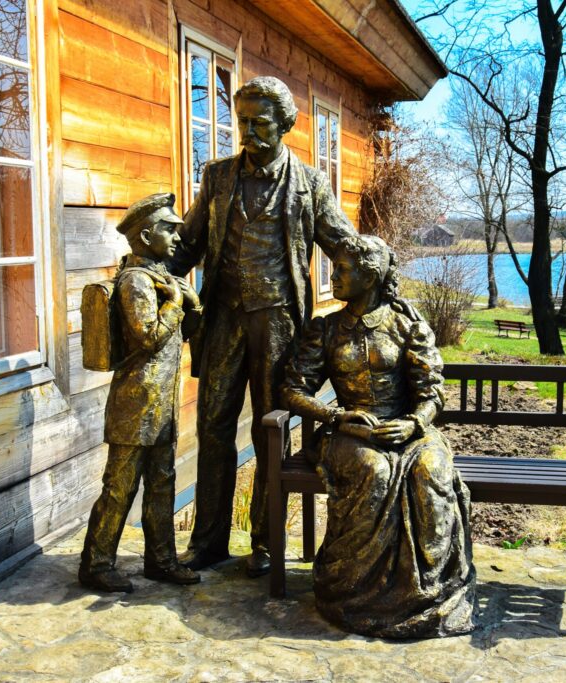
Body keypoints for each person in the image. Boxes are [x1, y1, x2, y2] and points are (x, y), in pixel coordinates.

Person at [170, 76, 357, 577]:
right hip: (223, 318)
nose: (248, 132)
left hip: (278, 323)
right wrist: (147, 271)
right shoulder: (217, 177)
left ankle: (266, 541)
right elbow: (187, 242)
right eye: (242, 122)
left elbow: (346, 245)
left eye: (260, 123)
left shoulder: (310, 184)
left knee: (272, 429)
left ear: (285, 125)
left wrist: (381, 289)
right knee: (213, 426)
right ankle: (209, 541)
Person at [282, 234, 476, 638]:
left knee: (430, 470)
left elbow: (431, 392)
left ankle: (429, 591)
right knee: (375, 472)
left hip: (409, 429)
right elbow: (293, 390)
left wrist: (415, 423)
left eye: (342, 269)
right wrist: (336, 416)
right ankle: (353, 590)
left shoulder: (407, 324)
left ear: (369, 277)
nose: (333, 277)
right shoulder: (327, 329)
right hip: (349, 433)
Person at [79, 193, 202, 593]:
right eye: (169, 230)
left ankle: (161, 560)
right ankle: (96, 564)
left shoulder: (163, 278)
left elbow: (182, 333)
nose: (177, 238)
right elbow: (148, 337)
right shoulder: (136, 281)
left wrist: (192, 305)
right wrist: (175, 303)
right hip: (135, 404)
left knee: (162, 482)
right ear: (147, 236)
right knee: (120, 487)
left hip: (161, 404)